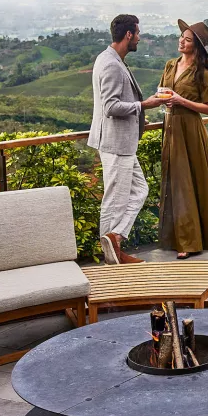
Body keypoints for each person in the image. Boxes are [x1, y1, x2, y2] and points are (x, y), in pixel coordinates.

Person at [87, 14, 165, 264]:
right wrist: (144, 105)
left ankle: (115, 238)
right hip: (116, 144)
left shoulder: (108, 58)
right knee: (115, 199)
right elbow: (111, 106)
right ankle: (112, 254)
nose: (140, 38)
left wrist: (138, 117)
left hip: (122, 142)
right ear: (128, 35)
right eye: (138, 33)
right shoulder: (110, 64)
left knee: (140, 190)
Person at [156, 19, 208, 259]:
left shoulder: (202, 73)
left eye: (187, 39)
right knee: (173, 182)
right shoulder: (170, 65)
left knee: (186, 183)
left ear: (196, 45)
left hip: (190, 129)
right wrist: (158, 100)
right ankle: (175, 237)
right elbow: (162, 92)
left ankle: (190, 241)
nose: (181, 41)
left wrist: (180, 100)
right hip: (171, 127)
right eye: (181, 37)